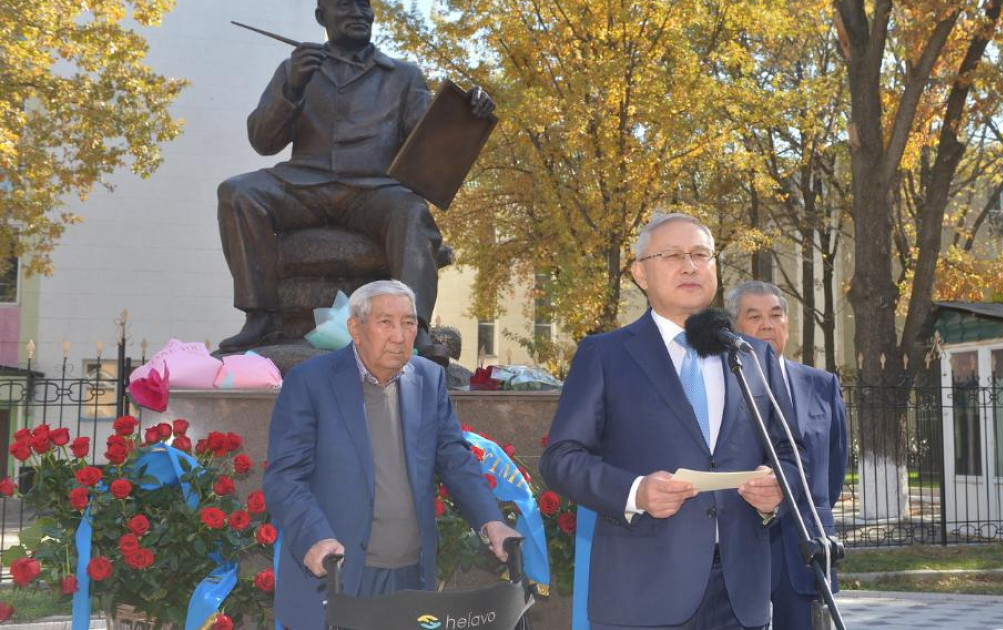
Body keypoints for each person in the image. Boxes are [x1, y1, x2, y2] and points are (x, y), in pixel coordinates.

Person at [540, 213, 796, 630]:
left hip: (741, 595)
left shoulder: (752, 355)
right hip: (643, 593)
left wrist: (777, 490)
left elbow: (791, 451)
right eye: (673, 255)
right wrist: (636, 491)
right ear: (641, 273)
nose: (690, 266)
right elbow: (561, 458)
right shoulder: (605, 355)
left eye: (700, 254)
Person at [217, 0, 495, 358]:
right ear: (322, 17)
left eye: (364, 6)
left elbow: (428, 135)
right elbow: (263, 140)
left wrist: (468, 111)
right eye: (345, 6)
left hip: (374, 189)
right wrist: (292, 88)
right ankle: (263, 317)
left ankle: (415, 329)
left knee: (412, 211)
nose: (358, 13)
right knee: (237, 193)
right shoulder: (295, 68)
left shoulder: (402, 75)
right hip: (304, 184)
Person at [264, 279, 519, 630]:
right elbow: (285, 476)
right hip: (337, 574)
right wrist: (314, 538)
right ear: (355, 327)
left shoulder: (429, 380)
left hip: (412, 577)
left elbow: (454, 458)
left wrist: (492, 522)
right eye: (386, 322)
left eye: (409, 323)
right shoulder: (311, 382)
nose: (399, 335)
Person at [727, 281, 848, 630]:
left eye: (776, 315)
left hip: (804, 549)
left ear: (787, 324)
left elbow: (833, 468)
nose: (767, 324)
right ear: (735, 326)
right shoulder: (721, 384)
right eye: (754, 316)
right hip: (738, 546)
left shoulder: (821, 385)